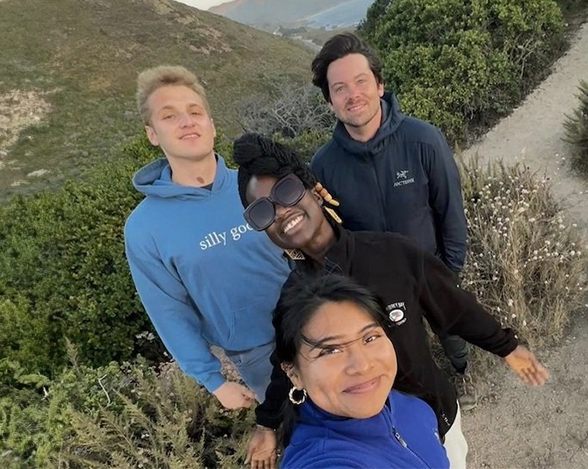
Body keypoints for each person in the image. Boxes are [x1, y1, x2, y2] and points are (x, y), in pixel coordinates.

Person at [235, 134, 548, 469]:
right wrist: (267, 424)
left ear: (314, 189)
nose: (282, 212)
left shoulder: (392, 253)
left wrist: (506, 346)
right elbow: (286, 366)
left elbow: (454, 305)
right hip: (370, 448)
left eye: (287, 191)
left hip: (435, 415)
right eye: (263, 210)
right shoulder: (293, 300)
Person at [309, 32, 475, 407]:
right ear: (331, 102)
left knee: (451, 331)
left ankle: (463, 371)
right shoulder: (323, 165)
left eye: (361, 81)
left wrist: (449, 271)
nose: (353, 94)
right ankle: (422, 402)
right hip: (374, 289)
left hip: (432, 269)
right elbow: (333, 235)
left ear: (380, 85)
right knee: (401, 351)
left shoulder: (423, 140)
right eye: (340, 88)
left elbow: (450, 210)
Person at [124, 66, 291, 410]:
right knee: (310, 441)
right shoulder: (144, 228)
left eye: (195, 112)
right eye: (169, 116)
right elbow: (169, 311)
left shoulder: (259, 185)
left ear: (212, 126)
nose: (187, 122)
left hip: (318, 322)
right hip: (257, 358)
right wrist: (214, 381)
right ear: (152, 134)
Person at [274, 274, 449, 469]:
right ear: (294, 374)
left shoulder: (410, 402)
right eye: (330, 350)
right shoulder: (323, 461)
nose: (362, 366)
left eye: (370, 338)